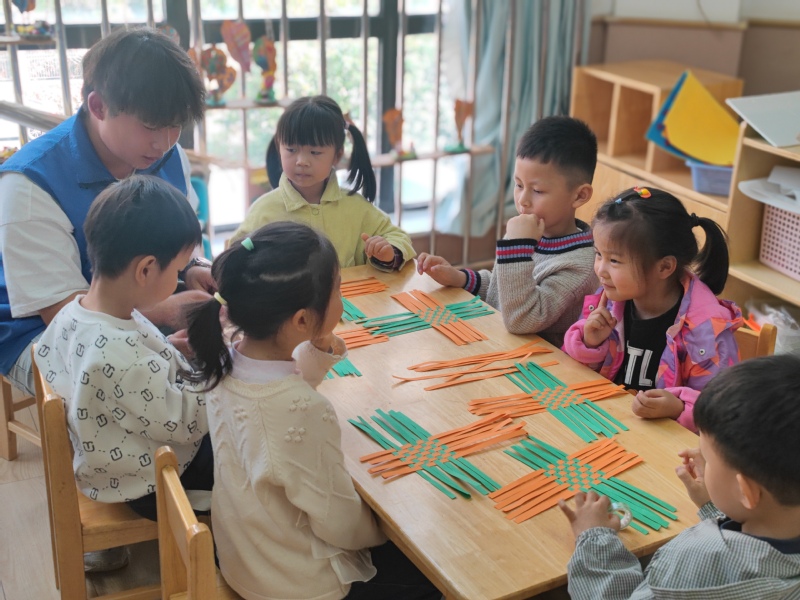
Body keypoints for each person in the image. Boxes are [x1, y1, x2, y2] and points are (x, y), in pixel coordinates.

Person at [184, 222, 440, 600]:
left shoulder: (224, 359)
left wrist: (317, 347)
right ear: (302, 320)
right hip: (296, 584)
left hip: (244, 557)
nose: (341, 296)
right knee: (433, 565)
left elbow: (279, 399)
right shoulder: (303, 409)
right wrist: (391, 526)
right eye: (337, 288)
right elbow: (340, 523)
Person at [0, 27, 213, 399]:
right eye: (151, 126)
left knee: (235, 355)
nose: (164, 142)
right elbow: (63, 315)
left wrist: (193, 265)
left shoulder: (165, 152)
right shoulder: (29, 183)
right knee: (137, 390)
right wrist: (163, 313)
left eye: (175, 126)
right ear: (98, 107)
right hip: (40, 332)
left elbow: (182, 236)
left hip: (138, 308)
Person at [33, 176, 213, 565]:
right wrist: (216, 371)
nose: (178, 280)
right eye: (177, 271)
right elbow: (187, 424)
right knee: (244, 447)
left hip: (111, 454)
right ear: (146, 269)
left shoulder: (78, 313)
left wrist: (169, 351)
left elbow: (124, 377)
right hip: (146, 484)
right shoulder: (117, 354)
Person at [558, 354, 800, 599]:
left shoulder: (695, 563)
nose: (699, 457)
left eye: (708, 457)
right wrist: (713, 506)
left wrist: (594, 538)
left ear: (744, 492)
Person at [562, 187, 741, 432]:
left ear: (664, 267)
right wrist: (589, 343)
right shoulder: (610, 299)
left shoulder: (707, 332)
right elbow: (573, 374)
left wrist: (679, 408)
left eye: (614, 260)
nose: (600, 269)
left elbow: (720, 413)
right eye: (598, 254)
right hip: (607, 426)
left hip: (662, 443)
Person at [416, 116, 598, 347]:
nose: (522, 200)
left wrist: (517, 247)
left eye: (538, 191)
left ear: (580, 195)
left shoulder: (581, 266)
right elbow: (502, 291)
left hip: (537, 363)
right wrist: (460, 278)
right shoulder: (530, 234)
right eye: (519, 185)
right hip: (500, 346)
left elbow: (520, 319)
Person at [231, 95, 416, 271]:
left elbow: (399, 237)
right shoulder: (264, 211)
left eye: (315, 152)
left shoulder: (356, 208)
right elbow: (235, 255)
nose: (301, 161)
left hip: (347, 295)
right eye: (291, 149)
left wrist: (388, 252)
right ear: (280, 148)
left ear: (337, 155)